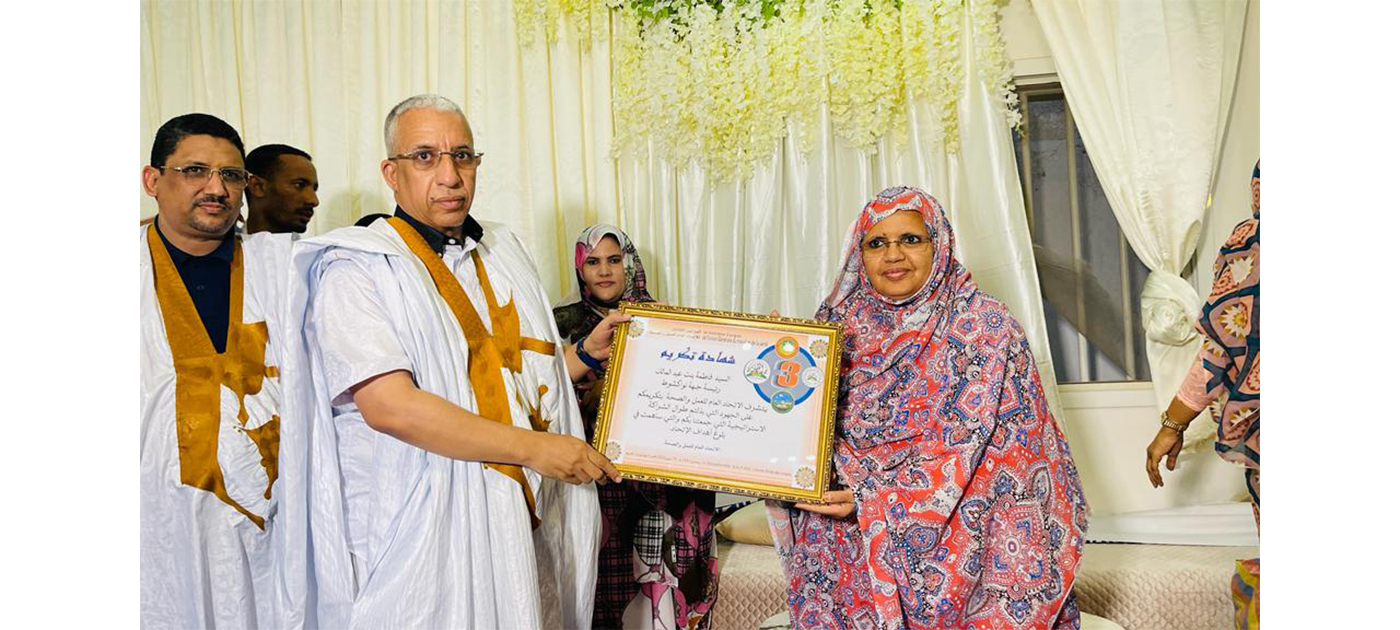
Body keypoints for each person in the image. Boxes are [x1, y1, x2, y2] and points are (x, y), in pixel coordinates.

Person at [276, 94, 622, 629]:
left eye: (462, 155)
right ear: (391, 173)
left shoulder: (503, 251)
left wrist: (583, 357)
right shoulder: (356, 267)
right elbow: (390, 407)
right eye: (425, 157)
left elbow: (515, 380)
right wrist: (537, 449)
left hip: (521, 520)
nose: (449, 176)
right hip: (427, 532)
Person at [766, 186, 1088, 629]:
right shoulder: (834, 328)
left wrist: (875, 500)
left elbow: (1005, 455)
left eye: (910, 239)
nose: (892, 255)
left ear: (939, 244)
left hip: (963, 546)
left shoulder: (986, 327)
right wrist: (776, 367)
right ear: (858, 254)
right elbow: (808, 433)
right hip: (847, 545)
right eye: (876, 243)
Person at [139, 113, 290, 628]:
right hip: (158, 531)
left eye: (231, 175)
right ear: (152, 180)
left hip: (278, 529)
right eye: (195, 171)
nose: (216, 188)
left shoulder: (287, 268)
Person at [553, 225, 719, 629]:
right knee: (607, 584)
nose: (604, 271)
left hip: (660, 481)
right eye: (593, 262)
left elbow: (696, 390)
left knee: (663, 580)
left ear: (629, 265)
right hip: (597, 479)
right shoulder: (560, 325)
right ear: (579, 268)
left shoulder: (664, 319)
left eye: (614, 260)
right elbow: (542, 395)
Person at [1146, 162, 1260, 629]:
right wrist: (1172, 425)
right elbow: (1222, 344)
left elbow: (1220, 348)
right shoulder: (1251, 247)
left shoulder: (1250, 247)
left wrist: (1172, 426)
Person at [244, 143, 320, 235]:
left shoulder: (319, 244)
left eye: (314, 189)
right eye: (299, 185)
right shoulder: (230, 243)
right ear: (257, 186)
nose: (314, 201)